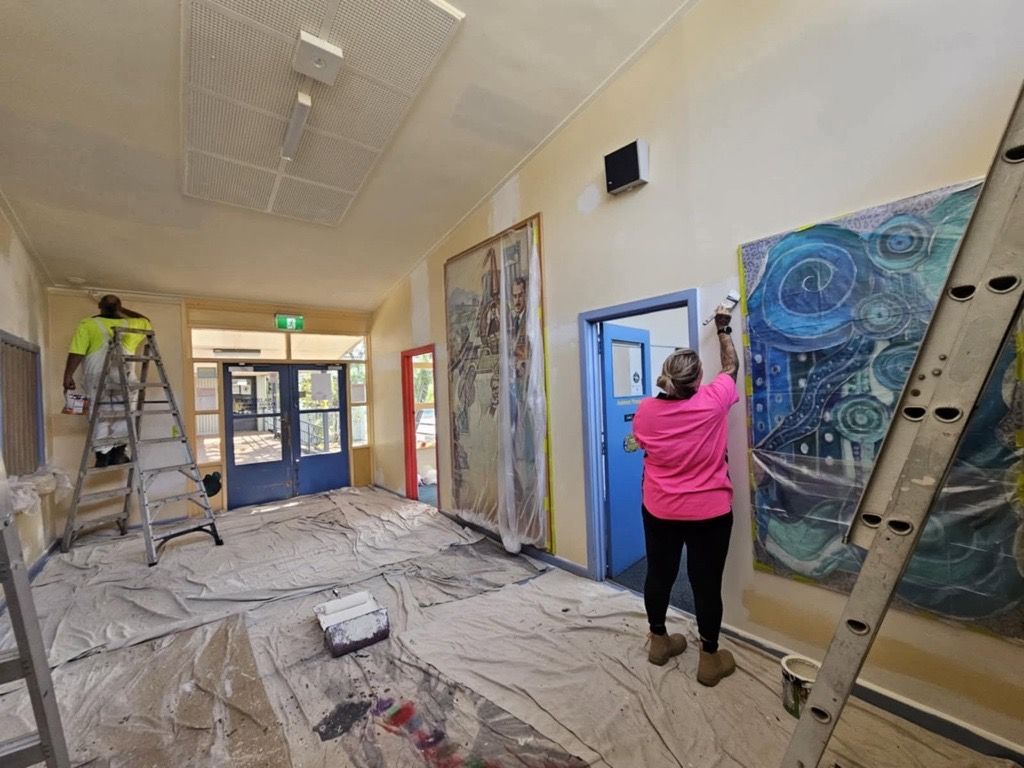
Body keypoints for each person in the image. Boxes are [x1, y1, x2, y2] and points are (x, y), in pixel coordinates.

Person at [631, 305, 740, 686]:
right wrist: (723, 328)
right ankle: (709, 660)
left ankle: (659, 641)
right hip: (709, 512)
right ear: (697, 380)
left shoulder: (644, 411)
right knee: (705, 582)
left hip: (660, 509)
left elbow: (643, 445)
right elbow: (731, 369)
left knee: (659, 574)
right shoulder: (714, 400)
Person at [62, 295, 152, 467]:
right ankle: (119, 454)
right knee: (124, 415)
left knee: (99, 416)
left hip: (97, 377)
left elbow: (77, 352)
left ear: (100, 306)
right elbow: (146, 320)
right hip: (124, 377)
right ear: (119, 307)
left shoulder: (88, 324)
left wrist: (68, 375)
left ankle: (103, 457)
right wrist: (122, 310)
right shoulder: (131, 324)